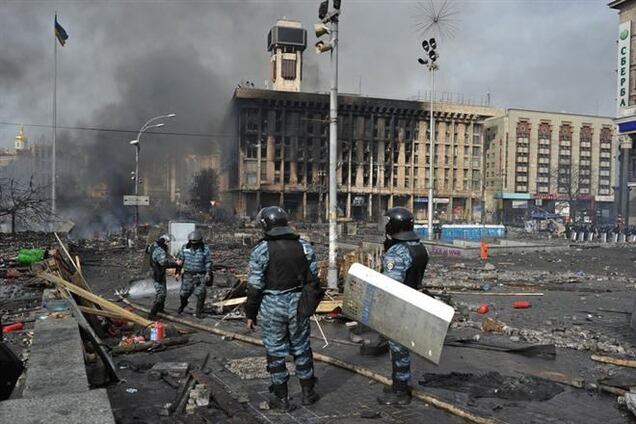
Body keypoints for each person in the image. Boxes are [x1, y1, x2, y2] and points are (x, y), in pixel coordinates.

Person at [245, 206, 319, 411]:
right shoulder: (305, 246)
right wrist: (309, 306)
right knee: (302, 347)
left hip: (272, 305)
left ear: (265, 225)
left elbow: (254, 286)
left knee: (276, 351)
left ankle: (281, 398)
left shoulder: (260, 250)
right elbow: (314, 280)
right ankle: (307, 393)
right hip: (298, 304)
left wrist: (250, 313)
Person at [377, 207, 429, 406]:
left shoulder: (397, 253)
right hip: (413, 300)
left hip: (399, 306)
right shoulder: (418, 246)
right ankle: (399, 385)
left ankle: (400, 391)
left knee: (398, 350)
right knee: (402, 349)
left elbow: (391, 286)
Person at [176, 230, 212, 319]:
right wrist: (177, 272)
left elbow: (208, 262)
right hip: (188, 275)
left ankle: (198, 312)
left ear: (200, 241)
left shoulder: (205, 249)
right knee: (183, 294)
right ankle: (183, 304)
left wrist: (208, 273)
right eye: (192, 242)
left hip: (200, 275)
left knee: (201, 293)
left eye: (196, 242)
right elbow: (180, 261)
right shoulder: (184, 248)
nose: (194, 244)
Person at [147, 234, 178, 320]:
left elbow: (148, 250)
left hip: (156, 271)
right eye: (167, 242)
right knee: (161, 294)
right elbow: (164, 263)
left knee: (163, 291)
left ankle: (160, 310)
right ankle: (152, 314)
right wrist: (175, 263)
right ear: (163, 241)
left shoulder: (154, 245)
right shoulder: (160, 250)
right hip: (157, 273)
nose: (168, 244)